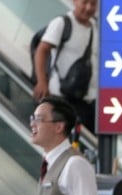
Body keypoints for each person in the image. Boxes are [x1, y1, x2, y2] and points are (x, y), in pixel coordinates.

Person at [33, 0, 98, 133]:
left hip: (87, 101)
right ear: (74, 1)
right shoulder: (62, 23)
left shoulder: (96, 27)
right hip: (61, 97)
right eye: (84, 2)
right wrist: (42, 81)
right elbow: (42, 50)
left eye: (93, 3)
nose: (88, 8)